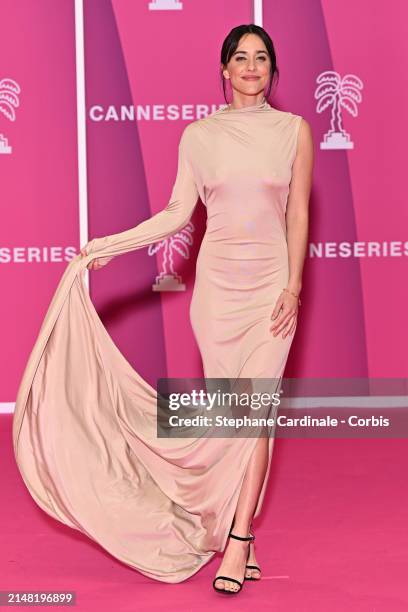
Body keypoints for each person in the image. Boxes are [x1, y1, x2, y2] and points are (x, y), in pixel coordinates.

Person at [12, 24, 313, 596]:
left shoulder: (294, 131)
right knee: (244, 419)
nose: (252, 66)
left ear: (273, 70)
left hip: (272, 291)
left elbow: (298, 215)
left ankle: (238, 538)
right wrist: (106, 247)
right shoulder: (198, 136)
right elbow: (177, 214)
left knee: (256, 411)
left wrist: (294, 286)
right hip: (218, 294)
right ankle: (239, 526)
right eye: (241, 57)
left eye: (262, 57)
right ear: (224, 70)